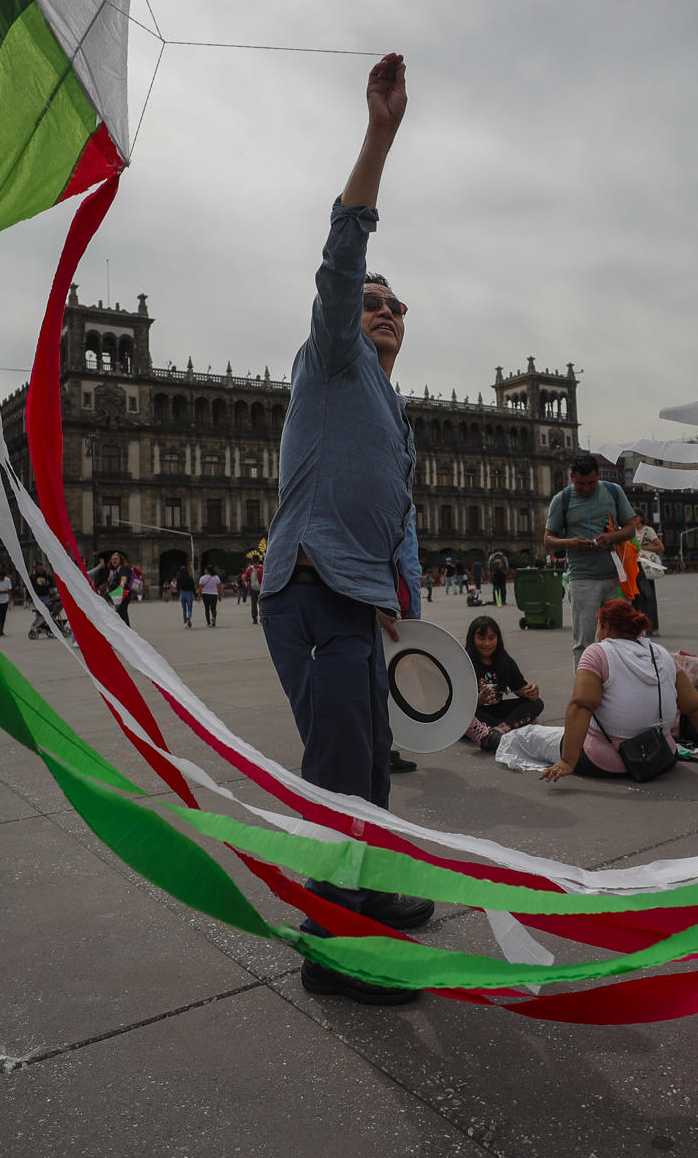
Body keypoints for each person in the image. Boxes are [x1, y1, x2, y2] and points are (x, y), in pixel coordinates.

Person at [260, 52, 432, 1005]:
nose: (387, 312)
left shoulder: (389, 405)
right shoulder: (329, 357)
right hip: (313, 586)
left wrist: (401, 595)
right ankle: (335, 950)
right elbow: (342, 252)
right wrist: (380, 134)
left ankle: (363, 891)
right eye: (376, 302)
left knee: (368, 760)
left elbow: (394, 508)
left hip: (360, 598)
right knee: (335, 772)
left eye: (398, 306)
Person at [508, 599, 698, 781]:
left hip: (608, 760)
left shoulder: (598, 652)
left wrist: (568, 761)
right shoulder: (661, 654)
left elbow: (581, 705)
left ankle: (497, 736)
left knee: (527, 737)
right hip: (661, 756)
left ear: (605, 626)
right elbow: (696, 706)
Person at [544, 454, 636, 662]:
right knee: (584, 642)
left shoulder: (613, 491)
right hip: (582, 579)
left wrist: (611, 537)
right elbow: (548, 539)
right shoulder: (562, 500)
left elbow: (630, 529)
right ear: (571, 478)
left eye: (591, 483)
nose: (586, 488)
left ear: (598, 476)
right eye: (580, 484)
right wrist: (570, 543)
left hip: (616, 578)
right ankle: (586, 691)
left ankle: (621, 687)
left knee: (622, 638)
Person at [461, 616, 542, 751]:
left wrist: (531, 691)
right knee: (467, 717)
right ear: (472, 639)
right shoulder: (464, 662)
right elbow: (457, 704)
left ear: (498, 639)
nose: (487, 643)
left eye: (491, 638)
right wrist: (478, 701)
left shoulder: (504, 660)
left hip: (497, 712)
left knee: (536, 703)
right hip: (476, 713)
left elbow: (520, 688)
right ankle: (516, 725)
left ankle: (501, 730)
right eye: (481, 638)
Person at [631, 521, 664, 635]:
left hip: (645, 567)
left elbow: (660, 547)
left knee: (648, 596)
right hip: (634, 567)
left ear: (640, 517)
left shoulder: (647, 530)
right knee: (636, 598)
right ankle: (639, 626)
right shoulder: (629, 530)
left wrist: (643, 547)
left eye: (635, 516)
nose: (633, 518)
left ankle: (651, 627)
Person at [174, 563, 196, 628]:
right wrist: (196, 595)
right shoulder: (190, 578)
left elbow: (177, 587)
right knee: (189, 609)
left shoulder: (179, 578)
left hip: (182, 593)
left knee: (184, 609)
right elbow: (193, 587)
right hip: (189, 593)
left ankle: (185, 623)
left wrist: (178, 594)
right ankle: (188, 617)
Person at [248, 557, 264, 625]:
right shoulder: (262, 568)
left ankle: (254, 619)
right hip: (262, 588)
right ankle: (262, 618)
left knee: (253, 604)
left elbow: (246, 577)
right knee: (262, 604)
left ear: (252, 561)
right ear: (258, 560)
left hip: (253, 589)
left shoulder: (249, 568)